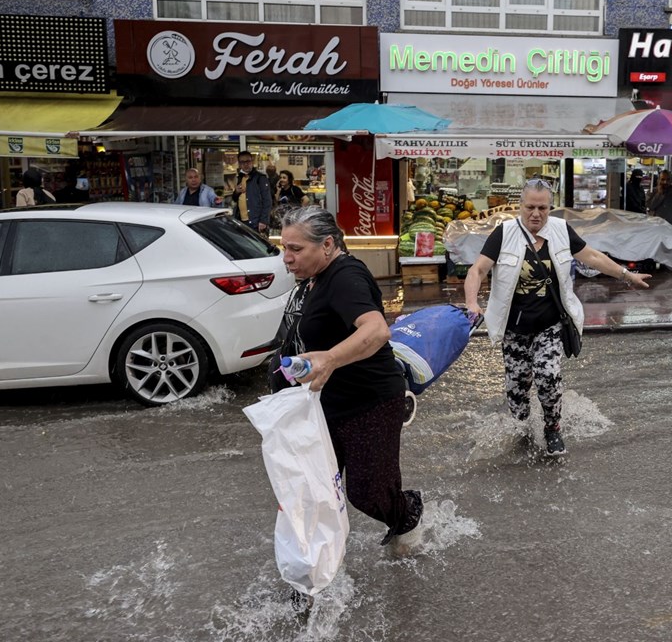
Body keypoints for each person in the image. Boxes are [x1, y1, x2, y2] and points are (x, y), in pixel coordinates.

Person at [273, 207, 424, 561]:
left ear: (327, 244)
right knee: (313, 493)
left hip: (369, 403)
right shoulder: (313, 278)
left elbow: (376, 329)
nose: (287, 258)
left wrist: (330, 358)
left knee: (369, 493)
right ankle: (310, 580)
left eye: (295, 249)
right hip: (324, 405)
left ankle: (409, 511)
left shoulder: (346, 277)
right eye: (284, 248)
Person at [463, 179, 652, 457]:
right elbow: (477, 270)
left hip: (549, 325)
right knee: (516, 389)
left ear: (550, 207)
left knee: (548, 377)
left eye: (542, 207)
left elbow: (593, 256)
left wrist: (626, 275)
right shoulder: (504, 233)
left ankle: (553, 429)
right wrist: (471, 303)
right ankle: (522, 429)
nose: (536, 213)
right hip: (514, 329)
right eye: (530, 207)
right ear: (520, 206)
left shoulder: (562, 230)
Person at [232, 151, 272, 234]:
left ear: (252, 162)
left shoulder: (260, 178)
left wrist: (263, 221)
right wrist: (236, 192)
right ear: (239, 164)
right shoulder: (240, 177)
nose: (245, 164)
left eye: (248, 161)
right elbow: (235, 199)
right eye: (242, 162)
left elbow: (267, 201)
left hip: (256, 222)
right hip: (242, 221)